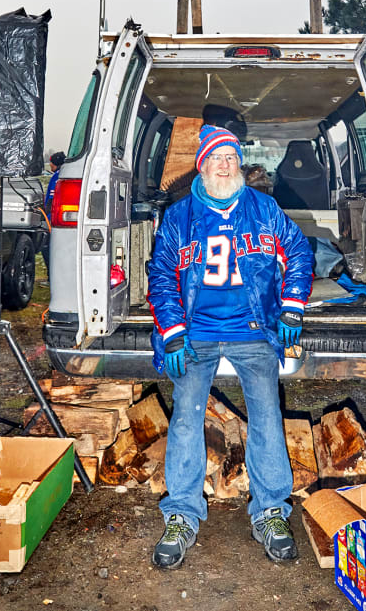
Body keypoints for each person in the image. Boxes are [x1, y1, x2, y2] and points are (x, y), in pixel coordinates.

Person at [147, 124, 314, 570]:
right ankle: (181, 514)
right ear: (201, 164)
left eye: (231, 158)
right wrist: (173, 330)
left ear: (240, 163)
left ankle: (272, 512)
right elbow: (162, 275)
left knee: (266, 416)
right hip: (195, 331)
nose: (225, 165)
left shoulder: (264, 208)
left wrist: (292, 307)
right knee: (185, 418)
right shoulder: (178, 217)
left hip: (253, 329)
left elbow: (298, 251)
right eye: (216, 158)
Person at [41, 151, 65, 276]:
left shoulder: (56, 177)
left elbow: (51, 200)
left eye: (51, 162)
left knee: (47, 247)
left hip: (53, 219)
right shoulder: (64, 174)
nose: (49, 164)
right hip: (60, 218)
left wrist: (46, 216)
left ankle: (52, 276)